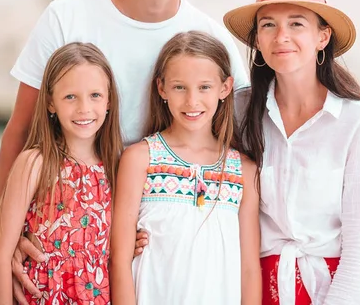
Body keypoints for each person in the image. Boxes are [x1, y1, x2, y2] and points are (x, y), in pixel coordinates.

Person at [0, 0, 248, 302]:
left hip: (147, 248)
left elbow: (229, 154)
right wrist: (9, 236)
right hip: (67, 232)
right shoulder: (66, 16)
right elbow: (20, 129)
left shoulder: (210, 40)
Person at [223, 0, 360, 304]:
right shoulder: (238, 110)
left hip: (340, 286)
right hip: (258, 287)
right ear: (256, 38)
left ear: (322, 37)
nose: (281, 36)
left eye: (296, 23)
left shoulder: (357, 119)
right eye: (268, 24)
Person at [110, 31, 261, 304]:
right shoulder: (139, 159)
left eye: (204, 87)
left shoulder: (244, 170)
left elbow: (249, 269)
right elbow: (119, 261)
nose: (192, 101)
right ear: (162, 88)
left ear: (225, 88)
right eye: (180, 87)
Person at [0, 42, 123, 304]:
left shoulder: (115, 169)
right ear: (51, 103)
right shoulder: (35, 163)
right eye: (70, 96)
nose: (84, 108)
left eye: (95, 95)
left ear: (109, 101)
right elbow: (0, 257)